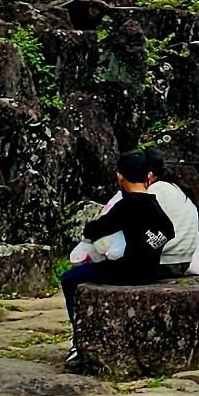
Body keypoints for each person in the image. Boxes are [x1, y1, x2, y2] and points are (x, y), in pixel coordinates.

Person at [60, 150, 175, 365]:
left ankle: (78, 337)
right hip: (149, 271)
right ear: (148, 176)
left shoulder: (128, 205)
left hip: (125, 272)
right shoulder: (154, 204)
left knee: (70, 278)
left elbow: (93, 230)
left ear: (119, 177)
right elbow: (168, 230)